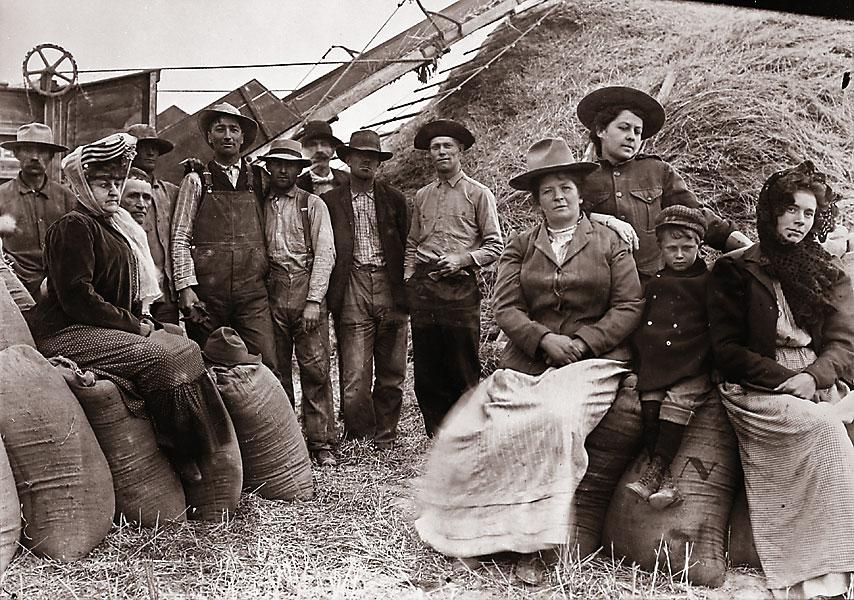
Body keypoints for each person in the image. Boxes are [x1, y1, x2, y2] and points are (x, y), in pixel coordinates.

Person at [415, 138, 644, 584]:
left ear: (581, 193)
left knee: (556, 418)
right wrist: (543, 341)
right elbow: (505, 307)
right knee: (481, 420)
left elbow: (629, 305)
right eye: (547, 191)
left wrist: (583, 342)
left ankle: (538, 544)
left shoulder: (609, 241)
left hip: (594, 361)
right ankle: (481, 535)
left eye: (565, 187)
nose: (558, 196)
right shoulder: (521, 245)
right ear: (537, 200)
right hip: (533, 360)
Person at [25, 133, 228, 480]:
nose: (114, 192)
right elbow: (77, 297)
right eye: (104, 184)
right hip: (65, 330)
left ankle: (208, 446)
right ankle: (178, 452)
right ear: (82, 186)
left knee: (187, 347)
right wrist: (134, 326)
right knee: (161, 358)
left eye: (118, 183)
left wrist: (139, 320)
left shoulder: (116, 227)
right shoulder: (74, 226)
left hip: (100, 326)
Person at [709, 161, 854, 599]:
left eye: (808, 214)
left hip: (814, 376)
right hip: (756, 386)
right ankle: (823, 572)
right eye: (790, 209)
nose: (799, 221)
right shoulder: (735, 269)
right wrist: (786, 378)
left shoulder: (824, 271)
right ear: (771, 211)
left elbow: (844, 342)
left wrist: (813, 377)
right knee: (824, 429)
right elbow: (727, 351)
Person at [575, 86, 751, 282]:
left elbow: (694, 214)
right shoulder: (583, 177)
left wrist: (743, 244)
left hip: (654, 282)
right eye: (623, 128)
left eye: (637, 131)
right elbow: (568, 222)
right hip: (604, 282)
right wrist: (604, 220)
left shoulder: (657, 171)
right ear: (601, 130)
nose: (632, 136)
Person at [405, 119, 504, 436]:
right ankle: (436, 433)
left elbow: (495, 246)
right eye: (435, 147)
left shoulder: (479, 194)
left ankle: (467, 431)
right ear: (429, 155)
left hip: (460, 289)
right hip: (425, 289)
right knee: (427, 367)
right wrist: (410, 278)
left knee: (461, 364)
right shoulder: (422, 196)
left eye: (447, 145)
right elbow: (412, 243)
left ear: (460, 150)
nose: (441, 152)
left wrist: (463, 259)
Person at [171, 102, 279, 375]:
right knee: (208, 369)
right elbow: (181, 237)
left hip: (252, 294)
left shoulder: (260, 179)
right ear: (209, 137)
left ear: (243, 138)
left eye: (234, 129)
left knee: (266, 365)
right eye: (220, 129)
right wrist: (186, 287)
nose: (227, 135)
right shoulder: (196, 180)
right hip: (209, 297)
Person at [322, 130, 408, 451]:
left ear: (379, 163)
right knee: (355, 376)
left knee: (392, 370)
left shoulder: (395, 200)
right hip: (352, 285)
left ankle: (386, 436)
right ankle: (360, 437)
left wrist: (405, 292)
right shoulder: (330, 202)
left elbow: (407, 246)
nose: (366, 161)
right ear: (347, 159)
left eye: (373, 157)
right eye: (359, 156)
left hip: (390, 286)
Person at [626, 205, 713, 509]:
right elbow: (642, 326)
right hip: (659, 361)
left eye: (687, 248)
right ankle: (662, 477)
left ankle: (659, 474)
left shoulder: (709, 281)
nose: (679, 255)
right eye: (671, 248)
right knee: (649, 403)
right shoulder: (654, 283)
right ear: (659, 248)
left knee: (677, 402)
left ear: (699, 246)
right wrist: (637, 365)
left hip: (694, 362)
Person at [258, 139, 338, 467]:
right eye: (276, 164)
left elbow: (326, 254)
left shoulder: (312, 204)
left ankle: (321, 443)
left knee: (315, 368)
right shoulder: (259, 203)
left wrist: (314, 301)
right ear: (269, 167)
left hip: (305, 290)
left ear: (297, 169)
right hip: (271, 293)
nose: (282, 170)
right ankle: (286, 442)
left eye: (289, 165)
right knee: (275, 370)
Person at [0, 123, 76, 299]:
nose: (35, 157)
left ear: (51, 156)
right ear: (16, 153)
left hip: (60, 288)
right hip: (15, 288)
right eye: (27, 150)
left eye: (42, 151)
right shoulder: (2, 197)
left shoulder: (67, 198)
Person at [126, 123, 180, 324]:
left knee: (169, 343)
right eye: (143, 147)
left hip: (164, 293)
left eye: (155, 148)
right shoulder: (117, 191)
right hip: (133, 291)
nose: (150, 153)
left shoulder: (170, 192)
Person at [295, 120, 348, 196]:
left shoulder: (348, 180)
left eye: (324, 144)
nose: (319, 150)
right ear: (304, 150)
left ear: (333, 150)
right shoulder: (296, 187)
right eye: (312, 145)